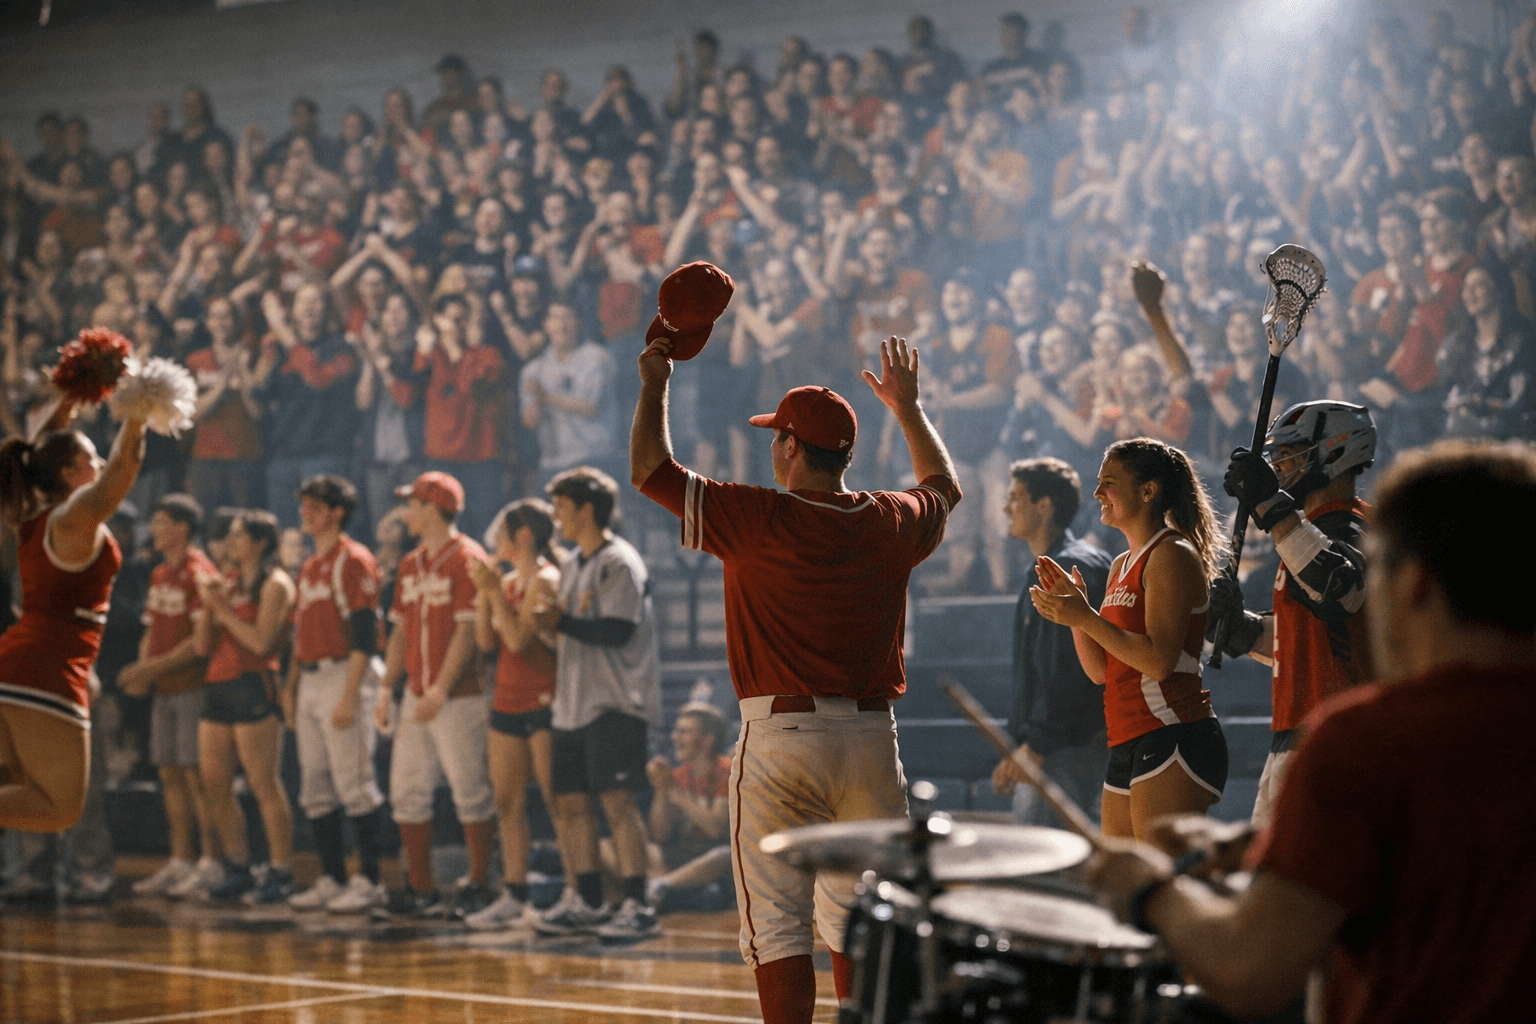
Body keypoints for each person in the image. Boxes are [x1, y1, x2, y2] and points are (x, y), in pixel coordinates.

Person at [1089, 439, 1536, 1022]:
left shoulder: (1367, 744)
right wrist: (1269, 849)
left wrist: (1152, 890)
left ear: (1414, 585)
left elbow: (1250, 969)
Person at [633, 333, 961, 1024]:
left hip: (781, 736)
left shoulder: (756, 515)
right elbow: (944, 488)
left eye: (775, 437)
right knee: (857, 922)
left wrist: (656, 383)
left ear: (788, 446)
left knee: (779, 926)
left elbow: (650, 470)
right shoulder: (887, 518)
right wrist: (910, 410)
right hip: (873, 741)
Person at [1030, 437, 1226, 840]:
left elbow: (1159, 662)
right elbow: (1101, 672)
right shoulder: (1122, 562)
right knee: (1125, 883)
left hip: (1173, 730)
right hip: (1128, 736)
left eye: (1109, 482)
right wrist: (1076, 616)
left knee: (1160, 879)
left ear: (1148, 490)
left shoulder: (1172, 553)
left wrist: (1087, 616)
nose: (1098, 492)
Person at [1207, 401, 1376, 827]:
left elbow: (1340, 590)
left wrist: (1273, 507)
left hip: (1337, 739)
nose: (1279, 465)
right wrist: (1239, 628)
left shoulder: (1356, 527)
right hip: (1294, 734)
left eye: (1290, 453)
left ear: (1335, 451)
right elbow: (1298, 636)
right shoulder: (1305, 534)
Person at [0, 392, 148, 833]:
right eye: (91, 457)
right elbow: (122, 473)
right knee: (58, 809)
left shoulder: (34, 509)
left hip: (18, 659)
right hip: (46, 667)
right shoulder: (71, 517)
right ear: (68, 473)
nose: (101, 462)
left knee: (15, 786)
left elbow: (40, 453)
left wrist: (69, 397)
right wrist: (139, 415)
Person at [529, 467, 661, 942]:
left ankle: (637, 903)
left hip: (615, 702)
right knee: (571, 805)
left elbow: (617, 630)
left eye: (562, 507)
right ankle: (586, 899)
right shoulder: (572, 565)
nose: (557, 517)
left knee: (619, 804)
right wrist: (549, 625)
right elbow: (570, 633)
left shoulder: (619, 561)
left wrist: (560, 622)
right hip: (573, 704)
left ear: (586, 509)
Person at [372, 471, 497, 920]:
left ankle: (480, 883)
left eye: (413, 503)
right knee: (406, 790)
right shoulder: (410, 563)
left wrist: (441, 688)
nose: (406, 511)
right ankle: (421, 889)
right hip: (416, 694)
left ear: (432, 508)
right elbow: (401, 630)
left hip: (458, 695)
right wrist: (388, 687)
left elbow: (467, 631)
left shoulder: (467, 557)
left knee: (470, 790)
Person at [282, 476, 390, 914]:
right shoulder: (310, 566)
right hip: (311, 677)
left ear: (336, 512)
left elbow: (366, 635)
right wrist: (290, 688)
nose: (305, 512)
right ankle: (332, 876)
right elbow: (300, 634)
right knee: (314, 785)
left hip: (345, 673)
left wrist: (350, 695)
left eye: (314, 506)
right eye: (304, 504)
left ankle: (371, 880)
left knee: (355, 784)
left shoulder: (353, 560)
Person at [991, 458, 1113, 826]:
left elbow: (1068, 671)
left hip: (1065, 755)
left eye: (1015, 497)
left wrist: (1035, 746)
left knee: (1045, 872)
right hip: (1065, 749)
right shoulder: (1065, 564)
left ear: (1044, 506)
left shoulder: (1063, 570)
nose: (1006, 507)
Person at [462, 499, 562, 932]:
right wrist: (488, 591)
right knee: (507, 801)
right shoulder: (503, 581)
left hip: (543, 696)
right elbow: (487, 641)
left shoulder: (546, 578)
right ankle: (514, 891)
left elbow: (520, 639)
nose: (495, 541)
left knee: (557, 799)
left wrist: (494, 592)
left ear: (523, 536)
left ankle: (575, 890)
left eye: (502, 532)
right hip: (506, 696)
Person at [118, 495, 223, 897]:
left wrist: (149, 669)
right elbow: (150, 629)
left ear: (181, 527)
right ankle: (181, 859)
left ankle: (210, 862)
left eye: (161, 521)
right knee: (170, 774)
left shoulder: (200, 573)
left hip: (194, 687)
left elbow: (200, 644)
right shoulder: (160, 572)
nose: (154, 529)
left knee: (198, 778)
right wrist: (145, 672)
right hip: (165, 689)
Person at [191, 510, 298, 903]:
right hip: (218, 685)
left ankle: (281, 869)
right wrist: (209, 606)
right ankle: (238, 863)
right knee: (213, 782)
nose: (230, 543)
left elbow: (260, 642)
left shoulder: (276, 584)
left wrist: (222, 611)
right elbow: (202, 646)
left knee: (263, 783)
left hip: (254, 684)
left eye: (238, 536)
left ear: (260, 542)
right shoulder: (230, 580)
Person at [643, 701, 733, 911]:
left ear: (708, 739)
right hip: (686, 854)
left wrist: (674, 791)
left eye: (684, 732)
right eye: (676, 731)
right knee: (646, 848)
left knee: (725, 853)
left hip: (717, 858)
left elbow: (715, 829)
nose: (675, 738)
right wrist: (661, 789)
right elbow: (660, 835)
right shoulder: (677, 775)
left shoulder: (726, 770)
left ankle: (661, 885)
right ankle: (670, 891)